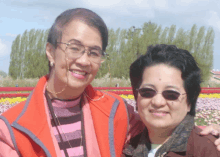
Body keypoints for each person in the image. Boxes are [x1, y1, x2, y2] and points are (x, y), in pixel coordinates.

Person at [0, 8, 219, 157]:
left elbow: (164, 126)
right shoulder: (11, 129)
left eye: (94, 52)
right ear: (50, 51)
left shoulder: (116, 111)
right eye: (74, 48)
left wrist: (209, 136)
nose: (84, 61)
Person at [122, 44, 220, 156]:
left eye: (171, 94)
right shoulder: (128, 147)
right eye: (147, 92)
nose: (158, 102)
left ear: (189, 102)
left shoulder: (208, 150)